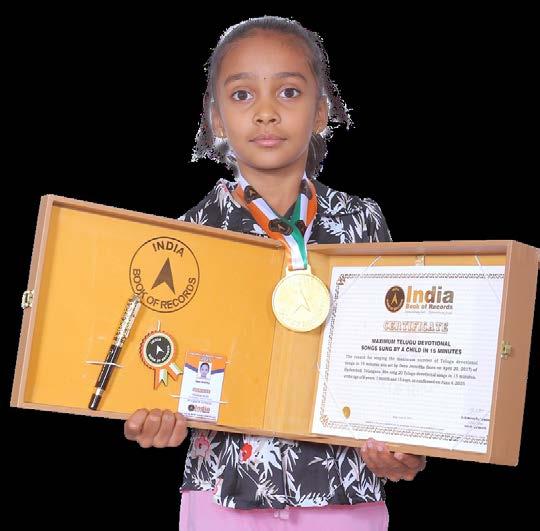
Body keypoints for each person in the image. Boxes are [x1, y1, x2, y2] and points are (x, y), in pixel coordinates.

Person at [124, 15, 426, 530]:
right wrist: (150, 414)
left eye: (288, 92)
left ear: (321, 112)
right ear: (216, 118)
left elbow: (395, 352)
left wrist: (408, 444)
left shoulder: (362, 222)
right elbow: (161, 366)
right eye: (242, 95)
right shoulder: (187, 238)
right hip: (222, 492)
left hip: (345, 489)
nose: (266, 112)